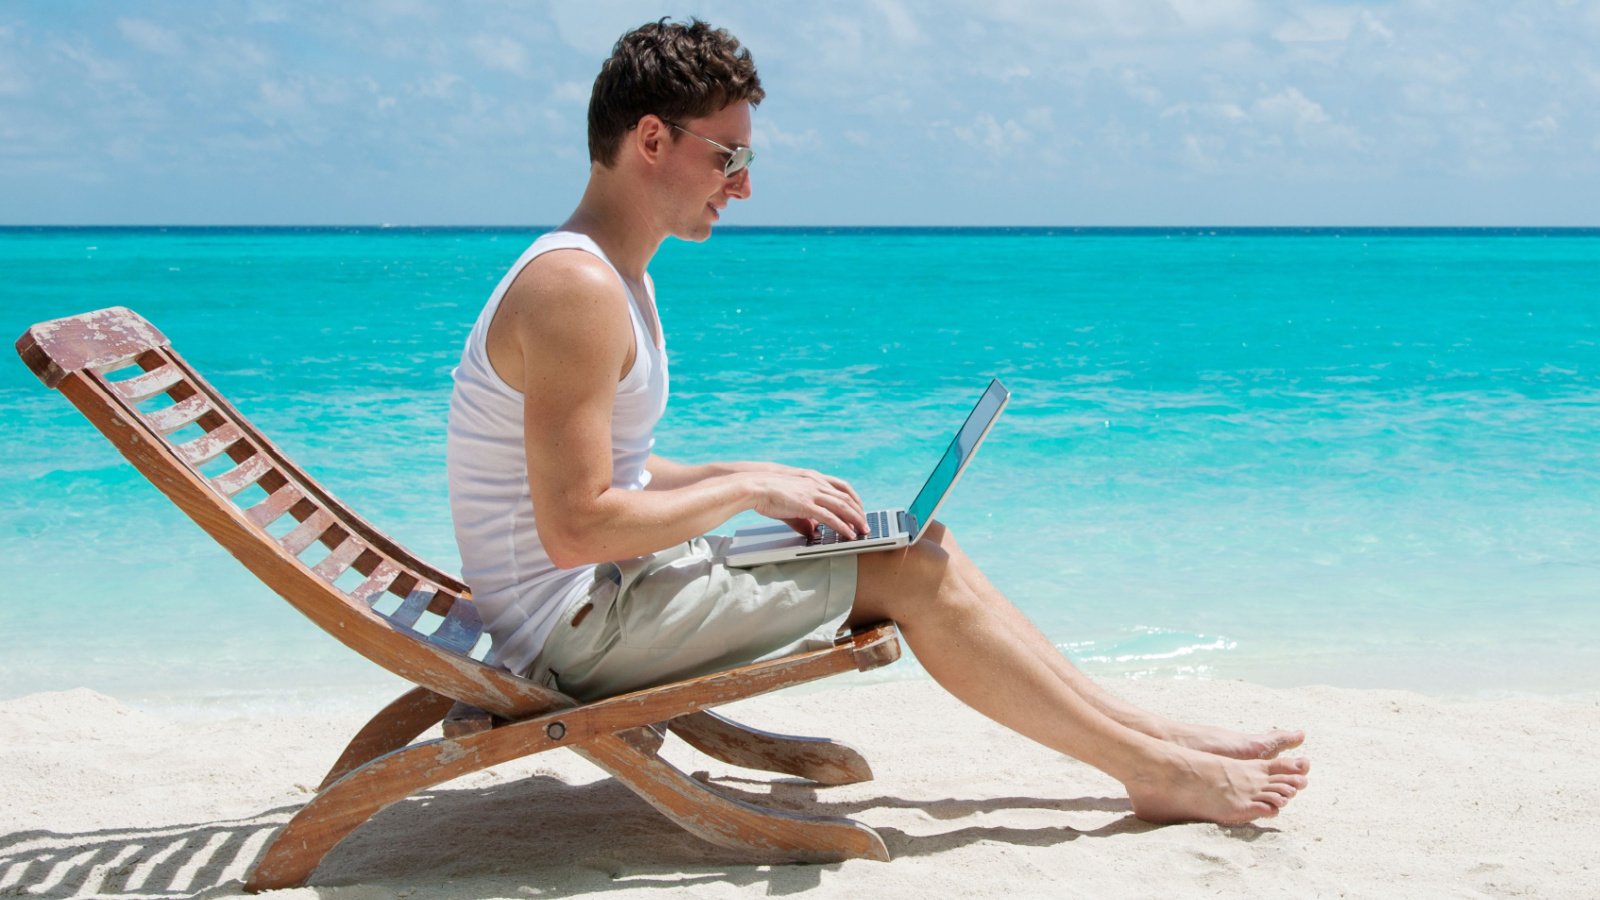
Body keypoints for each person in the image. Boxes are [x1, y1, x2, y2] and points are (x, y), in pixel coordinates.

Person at [446, 17, 1309, 826]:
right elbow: (574, 525)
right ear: (652, 139)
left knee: (923, 543)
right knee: (911, 574)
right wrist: (744, 490)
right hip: (583, 629)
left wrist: (746, 477)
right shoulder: (578, 290)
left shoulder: (607, 277)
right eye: (728, 155)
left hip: (602, 598)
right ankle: (1151, 772)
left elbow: (610, 469)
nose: (743, 185)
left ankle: (1149, 735)